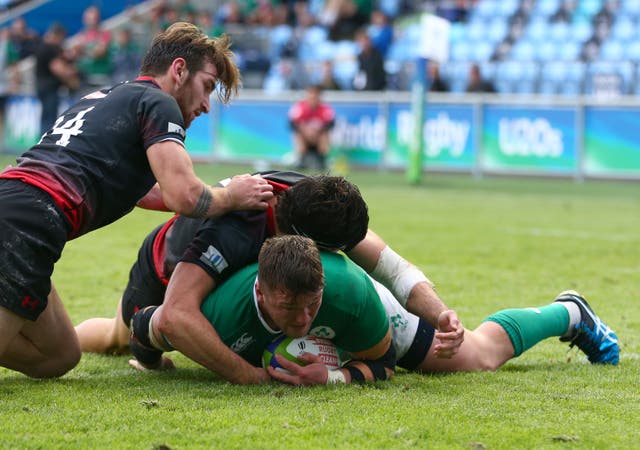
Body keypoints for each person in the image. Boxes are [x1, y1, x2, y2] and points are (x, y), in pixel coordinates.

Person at [0, 22, 274, 379]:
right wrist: (232, 196)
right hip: (30, 223)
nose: (206, 105)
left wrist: (207, 199)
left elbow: (139, 190)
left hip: (17, 206)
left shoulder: (105, 97)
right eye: (207, 87)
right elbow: (184, 195)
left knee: (58, 357)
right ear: (179, 70)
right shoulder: (159, 103)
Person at [76, 174, 462, 384]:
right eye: (332, 253)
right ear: (299, 237)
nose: (335, 262)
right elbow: (177, 313)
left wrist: (440, 313)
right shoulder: (237, 229)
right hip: (164, 271)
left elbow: (390, 267)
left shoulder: (315, 202)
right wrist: (249, 376)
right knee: (117, 337)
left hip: (243, 279)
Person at [130, 234, 396, 385]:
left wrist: (333, 378)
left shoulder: (348, 293)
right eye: (289, 307)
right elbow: (142, 325)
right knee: (113, 336)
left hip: (370, 302)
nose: (304, 319)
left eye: (313, 305)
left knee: (437, 359)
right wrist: (154, 364)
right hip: (166, 256)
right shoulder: (220, 317)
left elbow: (386, 362)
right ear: (261, 293)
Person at [34, 23, 80, 135]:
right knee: (50, 118)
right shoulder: (50, 48)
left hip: (41, 86)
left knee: (45, 117)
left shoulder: (42, 46)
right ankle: (46, 144)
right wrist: (72, 77)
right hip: (49, 88)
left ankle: (41, 143)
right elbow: (57, 68)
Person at [287, 85, 335, 170]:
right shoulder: (300, 107)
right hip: (304, 137)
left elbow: (330, 124)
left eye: (315, 94)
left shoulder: (325, 108)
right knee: (298, 135)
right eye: (311, 94)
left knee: (325, 136)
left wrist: (317, 131)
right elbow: (291, 124)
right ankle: (301, 160)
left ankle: (322, 161)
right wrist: (305, 131)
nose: (313, 97)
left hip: (318, 137)